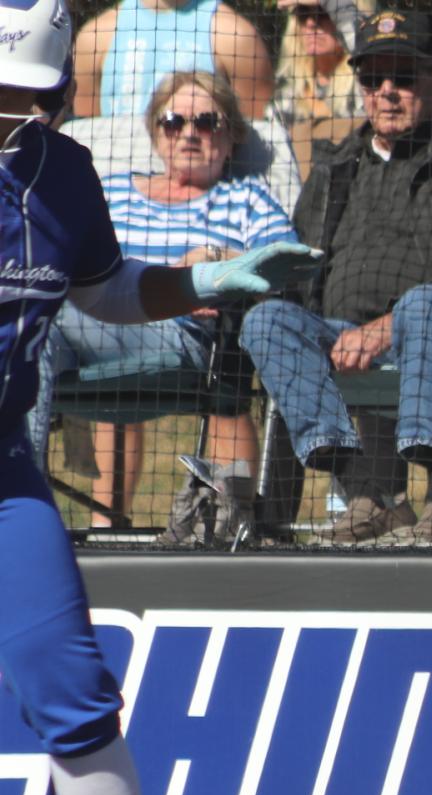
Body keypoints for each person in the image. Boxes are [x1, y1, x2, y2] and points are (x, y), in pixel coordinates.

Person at [0, 0, 316, 795]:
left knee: (72, 682)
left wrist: (212, 273)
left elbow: (101, 290)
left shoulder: (61, 170)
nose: (17, 110)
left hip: (3, 471)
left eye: (31, 95)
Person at [240, 10, 432, 547]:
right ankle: (370, 495)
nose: (387, 91)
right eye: (373, 78)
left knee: (423, 304)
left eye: (404, 76)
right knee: (268, 321)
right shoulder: (336, 166)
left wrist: (388, 325)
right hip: (343, 335)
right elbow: (300, 266)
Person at [30, 70, 294, 543]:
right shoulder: (110, 188)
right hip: (88, 323)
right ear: (156, 132)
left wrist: (211, 262)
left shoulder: (245, 198)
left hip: (183, 335)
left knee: (44, 319)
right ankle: (21, 494)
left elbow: (287, 261)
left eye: (207, 122)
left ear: (231, 137)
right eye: (174, 121)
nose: (189, 133)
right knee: (34, 330)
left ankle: (224, 524)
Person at [73, 0, 274, 120]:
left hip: (209, 188)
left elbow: (249, 144)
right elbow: (88, 136)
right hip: (113, 187)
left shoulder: (236, 36)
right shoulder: (95, 37)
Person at [269, 0, 373, 175]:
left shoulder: (367, 84)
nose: (311, 23)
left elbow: (366, 46)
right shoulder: (284, 94)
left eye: (322, 14)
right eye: (303, 14)